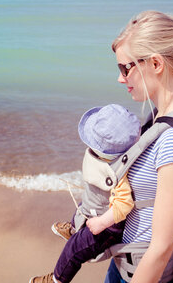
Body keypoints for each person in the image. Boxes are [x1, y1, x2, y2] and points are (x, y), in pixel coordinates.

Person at [104, 10, 173, 283]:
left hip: (145, 272)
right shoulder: (170, 112)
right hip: (129, 261)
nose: (120, 78)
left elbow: (161, 248)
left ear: (155, 63)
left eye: (125, 68)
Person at [30, 104, 141, 283]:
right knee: (83, 205)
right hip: (93, 208)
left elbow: (124, 204)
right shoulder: (99, 157)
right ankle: (74, 229)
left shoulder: (120, 173)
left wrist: (102, 223)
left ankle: (58, 278)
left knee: (73, 249)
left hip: (108, 227)